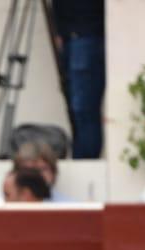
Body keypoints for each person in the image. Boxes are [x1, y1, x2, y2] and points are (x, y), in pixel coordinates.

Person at [53, 0, 105, 159]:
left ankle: (86, 159)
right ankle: (82, 156)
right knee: (76, 107)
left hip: (86, 33)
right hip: (72, 36)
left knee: (83, 107)